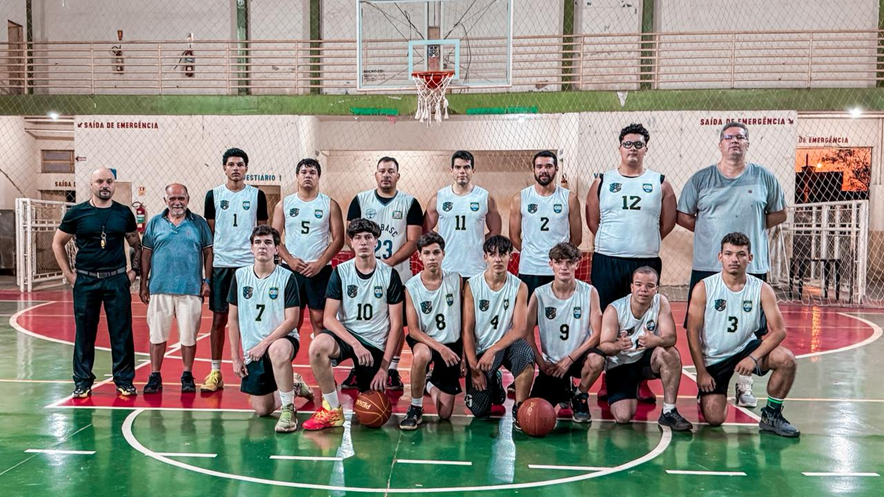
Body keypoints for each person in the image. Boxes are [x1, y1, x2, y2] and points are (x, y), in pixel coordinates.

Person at [677, 122, 787, 408]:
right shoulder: (701, 179)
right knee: (702, 327)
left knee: (754, 329)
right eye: (729, 137)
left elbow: (779, 213)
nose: (734, 142)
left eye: (740, 137)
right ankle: (707, 375)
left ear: (748, 143)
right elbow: (684, 216)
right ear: (720, 143)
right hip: (708, 266)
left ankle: (744, 384)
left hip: (752, 265)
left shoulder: (764, 177)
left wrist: (752, 229)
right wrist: (710, 232)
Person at [585, 123, 677, 403]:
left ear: (646, 148)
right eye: (628, 143)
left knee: (645, 321)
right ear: (620, 146)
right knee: (606, 321)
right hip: (608, 259)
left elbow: (668, 222)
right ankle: (607, 377)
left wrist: (643, 241)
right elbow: (593, 220)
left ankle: (640, 376)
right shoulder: (603, 181)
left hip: (645, 260)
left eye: (638, 144)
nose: (633, 148)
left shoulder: (659, 182)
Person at [685, 232, 799, 437]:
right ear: (720, 257)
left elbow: (779, 331)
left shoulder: (762, 289)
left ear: (750, 258)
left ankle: (771, 415)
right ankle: (708, 394)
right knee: (714, 418)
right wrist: (701, 372)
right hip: (715, 356)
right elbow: (692, 332)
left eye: (741, 254)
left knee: (786, 359)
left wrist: (752, 357)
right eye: (728, 254)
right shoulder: (704, 288)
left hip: (747, 348)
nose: (734, 259)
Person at [303, 218, 405, 431]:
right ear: (351, 242)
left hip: (374, 343)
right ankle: (332, 409)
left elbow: (396, 325)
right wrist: (355, 345)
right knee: (317, 347)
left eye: (368, 237)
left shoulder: (389, 275)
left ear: (376, 241)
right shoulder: (340, 272)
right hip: (347, 337)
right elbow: (328, 318)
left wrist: (385, 368)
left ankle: (368, 376)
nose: (363, 242)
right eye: (357, 238)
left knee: (372, 412)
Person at [52, 167, 142, 397]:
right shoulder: (77, 213)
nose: (105, 185)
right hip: (86, 281)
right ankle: (82, 381)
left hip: (116, 280)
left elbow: (136, 244)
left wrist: (134, 272)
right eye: (100, 181)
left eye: (109, 181)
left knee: (121, 333)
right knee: (84, 332)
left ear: (114, 185)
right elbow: (57, 243)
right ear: (91, 184)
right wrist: (69, 275)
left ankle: (124, 380)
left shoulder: (124, 213)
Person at [345, 156, 422, 390]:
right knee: (361, 319)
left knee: (395, 323)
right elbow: (351, 238)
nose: (386, 175)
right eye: (382, 171)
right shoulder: (360, 200)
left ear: (398, 176)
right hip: (363, 273)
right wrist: (369, 262)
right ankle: (359, 367)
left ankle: (392, 369)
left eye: (391, 171)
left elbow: (413, 241)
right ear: (376, 175)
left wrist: (386, 263)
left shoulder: (410, 203)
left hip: (397, 273)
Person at [228, 225, 313, 432]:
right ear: (251, 248)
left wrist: (264, 344)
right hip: (252, 350)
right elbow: (233, 317)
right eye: (258, 242)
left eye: (268, 242)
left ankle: (288, 409)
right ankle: (293, 386)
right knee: (262, 410)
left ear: (276, 249)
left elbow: (292, 320)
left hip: (282, 340)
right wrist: (236, 357)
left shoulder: (286, 277)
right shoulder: (240, 277)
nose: (262, 246)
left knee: (277, 350)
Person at [592, 266, 693, 431]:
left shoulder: (661, 302)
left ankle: (669, 411)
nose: (643, 290)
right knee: (623, 417)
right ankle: (630, 388)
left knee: (670, 353)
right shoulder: (615, 309)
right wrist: (618, 345)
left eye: (649, 286)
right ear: (631, 287)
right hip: (621, 364)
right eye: (638, 285)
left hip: (645, 361)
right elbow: (604, 345)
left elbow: (671, 338)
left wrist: (655, 340)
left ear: (656, 288)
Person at [202, 147, 269, 392]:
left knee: (253, 319)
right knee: (219, 319)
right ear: (224, 168)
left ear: (246, 168)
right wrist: (205, 276)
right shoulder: (213, 195)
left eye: (240, 164)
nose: (236, 168)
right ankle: (215, 371)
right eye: (231, 164)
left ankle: (259, 368)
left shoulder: (257, 195)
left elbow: (263, 233)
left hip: (248, 266)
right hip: (221, 265)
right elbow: (209, 238)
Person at [139, 184, 213, 394]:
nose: (177, 202)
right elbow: (146, 254)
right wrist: (144, 282)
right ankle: (155, 375)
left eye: (181, 198)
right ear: (165, 200)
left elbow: (208, 253)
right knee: (156, 335)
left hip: (190, 289)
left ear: (188, 199)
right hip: (159, 288)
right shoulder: (154, 223)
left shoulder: (198, 223)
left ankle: (187, 374)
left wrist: (207, 281)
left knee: (189, 336)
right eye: (172, 199)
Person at [462, 235, 535, 431]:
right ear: (485, 257)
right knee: (479, 411)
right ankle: (493, 380)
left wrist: (493, 350)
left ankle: (519, 409)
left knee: (526, 354)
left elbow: (520, 328)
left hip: (505, 345)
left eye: (503, 254)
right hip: (481, 350)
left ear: (510, 257)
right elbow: (467, 331)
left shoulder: (520, 286)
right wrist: (475, 370)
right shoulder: (472, 285)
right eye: (493, 254)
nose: (498, 259)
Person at [526, 243, 602, 424]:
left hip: (578, 359)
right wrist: (541, 362)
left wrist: (569, 359)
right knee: (535, 411)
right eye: (559, 262)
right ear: (550, 264)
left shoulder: (589, 292)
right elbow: (526, 332)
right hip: (552, 364)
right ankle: (564, 390)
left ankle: (580, 395)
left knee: (597, 360)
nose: (564, 267)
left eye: (569, 262)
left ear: (578, 264)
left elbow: (597, 334)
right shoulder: (539, 294)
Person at [272, 158, 345, 336]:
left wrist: (320, 263)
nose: (308, 176)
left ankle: (320, 359)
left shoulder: (329, 204)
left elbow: (339, 239)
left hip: (319, 270)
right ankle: (285, 360)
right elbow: (274, 238)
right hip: (290, 270)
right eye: (304, 172)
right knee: (291, 321)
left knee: (319, 320)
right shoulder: (284, 204)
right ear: (297, 176)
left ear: (318, 177)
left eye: (312, 173)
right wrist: (289, 260)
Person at [400, 232, 463, 430]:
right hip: (425, 340)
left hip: (452, 343)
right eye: (426, 253)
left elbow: (466, 320)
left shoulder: (456, 280)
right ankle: (415, 407)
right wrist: (439, 348)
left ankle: (429, 384)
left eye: (436, 252)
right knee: (421, 356)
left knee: (445, 414)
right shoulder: (412, 286)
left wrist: (464, 355)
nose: (432, 257)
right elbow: (413, 330)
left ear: (443, 254)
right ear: (419, 256)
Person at [509, 150, 582, 299]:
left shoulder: (569, 198)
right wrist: (532, 252)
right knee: (529, 317)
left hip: (558, 270)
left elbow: (577, 238)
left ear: (556, 169)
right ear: (533, 169)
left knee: (558, 315)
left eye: (548, 166)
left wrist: (561, 258)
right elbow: (514, 236)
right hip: (530, 268)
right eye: (539, 166)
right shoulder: (520, 198)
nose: (543, 170)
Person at [424, 150, 502, 280]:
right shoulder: (439, 198)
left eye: (466, 167)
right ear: (451, 170)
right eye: (458, 167)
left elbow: (495, 230)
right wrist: (441, 242)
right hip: (447, 266)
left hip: (476, 267)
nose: (462, 171)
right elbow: (426, 229)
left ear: (473, 170)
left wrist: (479, 241)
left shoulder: (485, 197)